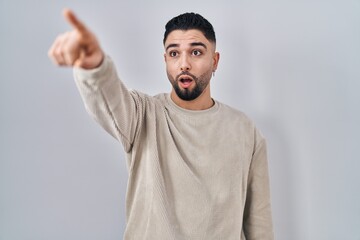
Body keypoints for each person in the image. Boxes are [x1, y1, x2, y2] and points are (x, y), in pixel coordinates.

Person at [49, 9, 274, 240]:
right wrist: (94, 65)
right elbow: (108, 98)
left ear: (214, 61)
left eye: (196, 52)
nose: (184, 64)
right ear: (165, 59)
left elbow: (260, 223)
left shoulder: (244, 130)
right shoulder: (143, 114)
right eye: (174, 53)